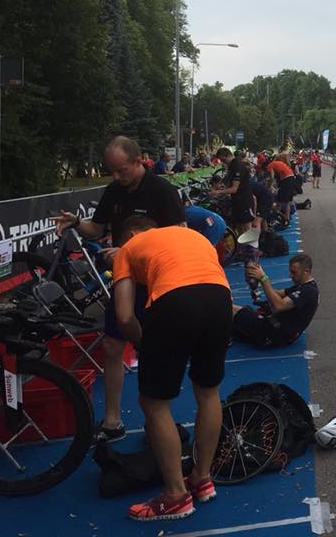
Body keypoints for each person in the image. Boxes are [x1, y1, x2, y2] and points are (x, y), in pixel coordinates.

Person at [53, 136, 185, 442]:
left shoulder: (161, 191)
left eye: (122, 170)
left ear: (139, 161)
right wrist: (76, 222)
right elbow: (97, 229)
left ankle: (160, 418)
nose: (116, 177)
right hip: (124, 279)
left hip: (155, 282)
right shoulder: (114, 190)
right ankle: (112, 422)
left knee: (155, 349)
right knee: (112, 346)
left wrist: (132, 250)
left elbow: (180, 238)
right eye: (111, 170)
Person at [111, 217, 231, 521]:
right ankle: (201, 478)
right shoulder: (189, 235)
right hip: (220, 298)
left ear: (132, 233)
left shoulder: (128, 247)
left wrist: (144, 344)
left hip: (175, 301)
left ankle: (176, 495)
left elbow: (124, 317)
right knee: (208, 391)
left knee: (154, 402)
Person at [232, 253, 319, 348]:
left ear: (306, 271)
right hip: (277, 330)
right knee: (233, 325)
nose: (290, 276)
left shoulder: (308, 292)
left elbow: (279, 306)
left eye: (294, 272)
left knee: (231, 309)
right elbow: (277, 293)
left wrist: (264, 278)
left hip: (275, 334)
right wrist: (256, 283)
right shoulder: (306, 286)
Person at [211, 147, 254, 234]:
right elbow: (227, 182)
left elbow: (234, 189)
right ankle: (242, 246)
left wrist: (217, 192)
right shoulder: (232, 166)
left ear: (226, 156)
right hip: (237, 200)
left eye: (222, 160)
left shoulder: (237, 165)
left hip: (243, 200)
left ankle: (251, 246)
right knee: (239, 226)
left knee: (246, 227)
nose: (222, 162)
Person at [267, 153, 297, 227]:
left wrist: (269, 186)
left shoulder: (270, 165)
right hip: (291, 178)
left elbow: (272, 177)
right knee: (287, 201)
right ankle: (286, 218)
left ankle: (277, 218)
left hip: (286, 180)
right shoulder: (281, 163)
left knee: (279, 201)